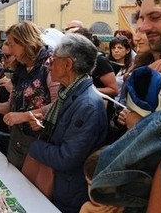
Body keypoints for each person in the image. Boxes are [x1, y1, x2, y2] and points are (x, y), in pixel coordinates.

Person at [26, 33, 108, 213]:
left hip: (70, 193)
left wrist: (34, 147)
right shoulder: (69, 93)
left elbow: (67, 158)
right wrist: (43, 127)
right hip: (62, 185)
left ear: (68, 64)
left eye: (52, 60)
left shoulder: (87, 105)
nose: (49, 66)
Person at [0, 20, 53, 167]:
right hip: (18, 141)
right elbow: (13, 106)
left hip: (40, 144)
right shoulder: (21, 68)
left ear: (26, 43)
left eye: (12, 44)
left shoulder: (49, 65)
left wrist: (25, 116)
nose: (9, 50)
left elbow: (59, 106)